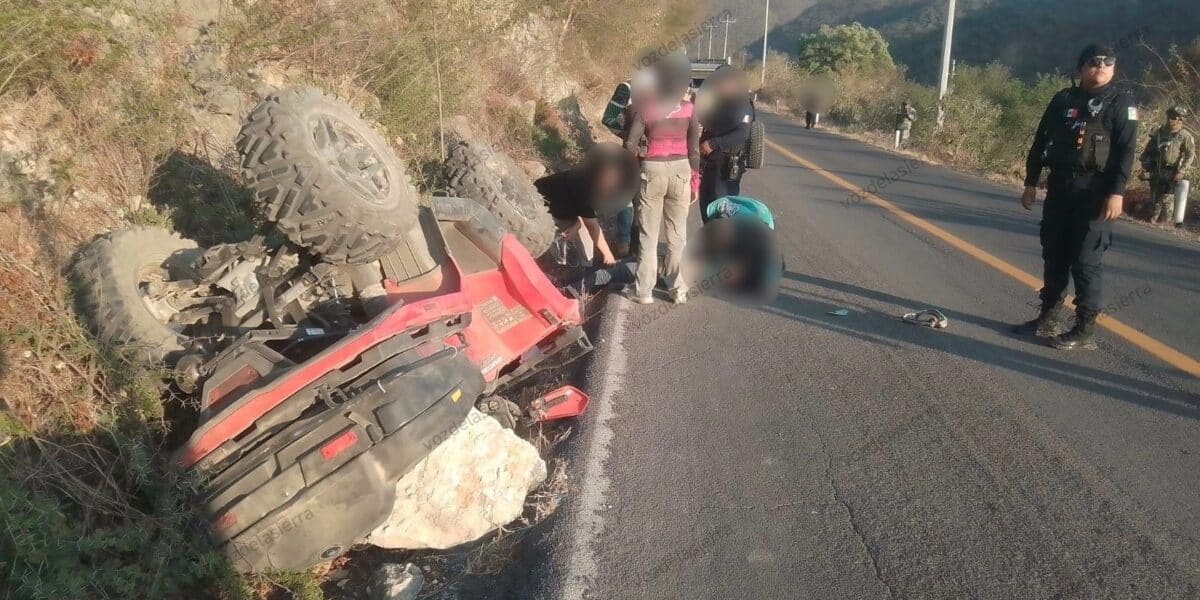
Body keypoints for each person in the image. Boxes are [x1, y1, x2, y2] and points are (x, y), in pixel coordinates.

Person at [1015, 43, 1139, 351]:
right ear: (1082, 67)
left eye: (1108, 63)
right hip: (1060, 186)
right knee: (1054, 253)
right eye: (1094, 62)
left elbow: (1126, 152)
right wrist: (1031, 181)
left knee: (1085, 260)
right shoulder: (1063, 99)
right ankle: (1048, 317)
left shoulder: (1121, 104)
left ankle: (1084, 330)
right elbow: (1041, 140)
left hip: (1096, 192)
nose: (1101, 67)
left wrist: (1117, 192)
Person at [623, 52, 699, 305]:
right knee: (677, 235)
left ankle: (643, 292)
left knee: (648, 234)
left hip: (652, 171)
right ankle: (678, 290)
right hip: (681, 170)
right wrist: (695, 181)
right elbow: (694, 149)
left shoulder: (646, 108)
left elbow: (630, 143)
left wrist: (631, 168)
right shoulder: (689, 109)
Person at [535, 142, 638, 268]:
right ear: (599, 174)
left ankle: (586, 267)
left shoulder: (598, 186)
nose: (612, 184)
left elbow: (584, 213)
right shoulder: (584, 186)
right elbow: (592, 226)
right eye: (609, 179)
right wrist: (608, 255)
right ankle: (551, 262)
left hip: (565, 208)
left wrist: (578, 224)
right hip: (542, 205)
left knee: (584, 238)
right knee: (566, 235)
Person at [697, 66, 754, 222]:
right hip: (710, 164)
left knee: (722, 209)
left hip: (727, 165)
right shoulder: (716, 104)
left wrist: (713, 143)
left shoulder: (743, 105)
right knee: (707, 206)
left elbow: (742, 134)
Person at [1140, 106, 1195, 225]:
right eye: (1169, 116)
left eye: (1174, 117)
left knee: (1167, 197)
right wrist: (1144, 162)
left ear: (1181, 120)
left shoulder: (1184, 136)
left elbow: (1190, 155)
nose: (1170, 119)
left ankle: (1165, 223)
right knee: (1155, 195)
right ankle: (1152, 221)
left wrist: (1181, 171)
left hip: (1171, 170)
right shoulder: (1159, 132)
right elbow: (1149, 149)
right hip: (1156, 168)